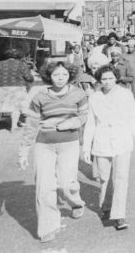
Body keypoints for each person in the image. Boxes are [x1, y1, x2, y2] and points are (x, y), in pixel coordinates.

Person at [18, 62, 88, 243]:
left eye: (64, 74)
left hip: (69, 144)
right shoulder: (40, 97)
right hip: (44, 145)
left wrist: (70, 124)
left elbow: (84, 116)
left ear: (69, 75)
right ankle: (48, 227)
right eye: (56, 75)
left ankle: (76, 202)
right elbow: (31, 125)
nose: (60, 78)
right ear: (49, 76)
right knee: (44, 187)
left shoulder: (79, 94)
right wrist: (24, 151)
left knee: (66, 183)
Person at [83, 65, 135, 231]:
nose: (107, 82)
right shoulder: (94, 97)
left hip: (122, 139)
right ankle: (106, 207)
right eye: (104, 79)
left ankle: (119, 216)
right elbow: (90, 123)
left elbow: (133, 117)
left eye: (110, 78)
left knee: (121, 179)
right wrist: (86, 146)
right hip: (101, 140)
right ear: (99, 80)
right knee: (104, 178)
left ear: (116, 78)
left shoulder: (125, 94)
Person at [0, 48, 34, 133]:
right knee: (16, 108)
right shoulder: (21, 64)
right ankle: (14, 127)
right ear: (18, 56)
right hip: (18, 88)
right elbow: (29, 78)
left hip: (2, 87)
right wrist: (31, 77)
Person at [121, 40, 135, 108]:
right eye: (129, 47)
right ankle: (126, 108)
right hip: (126, 76)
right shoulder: (123, 56)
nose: (130, 49)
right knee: (126, 92)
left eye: (132, 47)